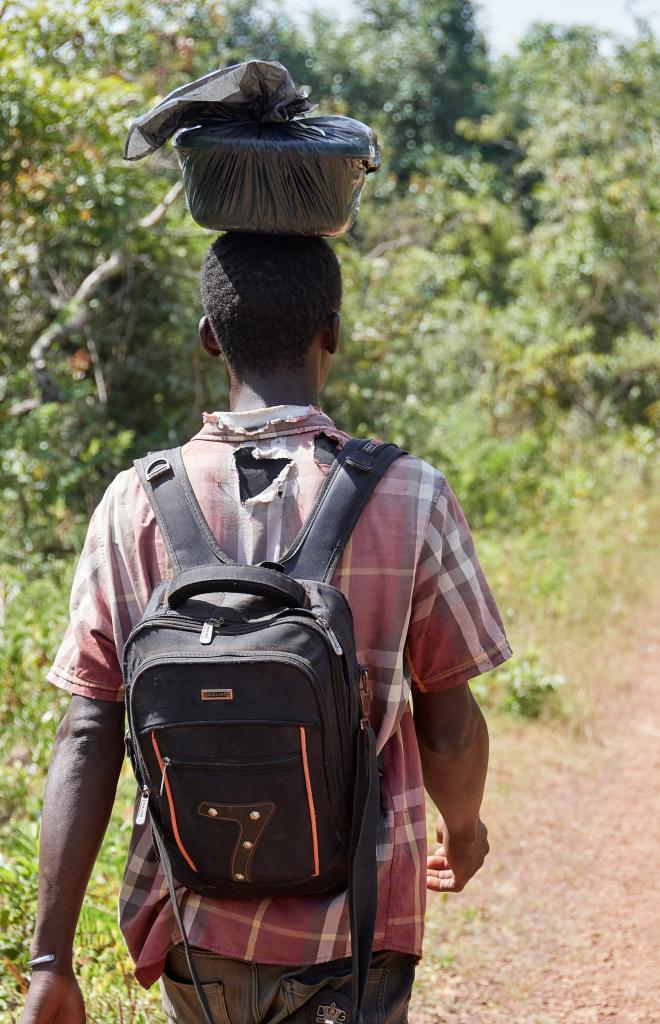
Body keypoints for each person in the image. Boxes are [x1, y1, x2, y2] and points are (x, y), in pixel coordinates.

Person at [21, 233, 512, 1024]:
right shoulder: (411, 494)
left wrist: (51, 958)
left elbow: (88, 732)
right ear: (333, 330)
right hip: (351, 931)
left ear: (210, 336)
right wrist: (464, 831)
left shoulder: (132, 502)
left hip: (194, 917)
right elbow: (448, 729)